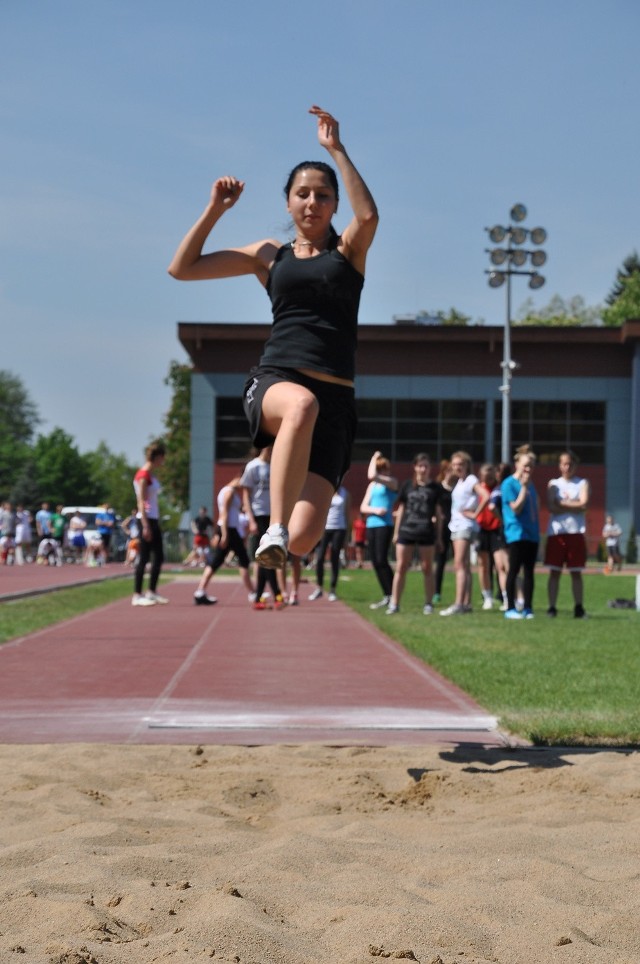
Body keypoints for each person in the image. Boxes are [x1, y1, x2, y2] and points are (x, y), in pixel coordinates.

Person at [168, 105, 378, 571]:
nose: (312, 203)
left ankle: (286, 532)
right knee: (301, 404)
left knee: (304, 541)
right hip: (277, 379)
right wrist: (214, 210)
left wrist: (336, 150)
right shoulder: (270, 255)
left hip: (338, 400)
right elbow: (182, 268)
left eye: (323, 196)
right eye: (302, 194)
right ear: (288, 202)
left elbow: (368, 217)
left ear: (334, 205)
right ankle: (273, 528)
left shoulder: (348, 254)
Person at [386, 453, 443, 616]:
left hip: (426, 531)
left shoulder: (435, 488)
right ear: (415, 467)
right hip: (407, 530)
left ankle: (428, 603)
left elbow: (438, 514)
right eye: (420, 465)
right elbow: (401, 509)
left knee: (427, 568)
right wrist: (396, 533)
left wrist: (438, 537)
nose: (423, 469)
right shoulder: (407, 486)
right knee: (401, 567)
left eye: (426, 466)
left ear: (430, 468)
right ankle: (394, 603)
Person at [440, 451, 488, 616]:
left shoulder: (471, 480)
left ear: (467, 465)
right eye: (454, 465)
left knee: (459, 564)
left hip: (464, 526)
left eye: (460, 464)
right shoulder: (459, 482)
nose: (457, 467)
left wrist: (475, 514)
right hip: (457, 525)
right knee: (465, 565)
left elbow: (485, 495)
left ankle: (459, 603)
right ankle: (466, 603)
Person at [193, 477, 256, 606]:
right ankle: (253, 593)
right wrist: (224, 534)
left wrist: (219, 533)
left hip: (229, 530)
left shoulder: (226, 491)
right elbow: (224, 514)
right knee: (243, 560)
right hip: (229, 531)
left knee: (217, 561)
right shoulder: (229, 492)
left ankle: (200, 591)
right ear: (239, 478)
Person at [544, 450, 590, 619]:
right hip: (557, 533)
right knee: (554, 572)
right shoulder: (553, 483)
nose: (567, 467)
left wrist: (562, 503)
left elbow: (584, 504)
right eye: (564, 463)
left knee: (576, 572)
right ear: (559, 465)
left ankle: (578, 607)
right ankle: (552, 607)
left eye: (570, 464)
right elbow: (551, 507)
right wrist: (574, 505)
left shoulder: (582, 483)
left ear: (575, 465)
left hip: (576, 532)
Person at [240, 446, 283, 607]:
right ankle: (275, 594)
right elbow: (246, 495)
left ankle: (260, 596)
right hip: (259, 515)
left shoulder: (276, 465)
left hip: (273, 515)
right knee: (267, 555)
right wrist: (250, 520)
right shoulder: (253, 466)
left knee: (268, 556)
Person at [500, 448, 540, 619]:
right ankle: (510, 608)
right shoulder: (509, 484)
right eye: (525, 465)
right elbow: (515, 509)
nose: (528, 469)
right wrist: (523, 488)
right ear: (517, 465)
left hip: (532, 534)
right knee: (514, 570)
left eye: (531, 466)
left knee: (529, 572)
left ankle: (528, 608)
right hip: (516, 533)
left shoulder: (531, 485)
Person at [360, 451, 398, 610]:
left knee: (382, 559)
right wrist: (375, 511)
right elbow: (363, 506)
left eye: (384, 469)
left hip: (385, 525)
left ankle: (394, 594)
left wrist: (374, 458)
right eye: (379, 469)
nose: (382, 472)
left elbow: (371, 475)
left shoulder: (391, 482)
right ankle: (387, 595)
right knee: (375, 561)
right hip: (372, 524)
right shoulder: (372, 486)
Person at [132, 440, 168, 607]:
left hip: (153, 519)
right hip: (145, 520)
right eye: (163, 458)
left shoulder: (151, 475)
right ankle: (137, 595)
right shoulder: (143, 475)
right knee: (144, 557)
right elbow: (141, 501)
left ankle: (151, 591)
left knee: (158, 556)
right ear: (158, 457)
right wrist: (145, 525)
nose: (164, 462)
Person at [309, 485, 350, 602]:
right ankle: (319, 588)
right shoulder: (326, 490)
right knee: (320, 558)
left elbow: (347, 515)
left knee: (334, 558)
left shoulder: (345, 493)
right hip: (325, 528)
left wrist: (346, 537)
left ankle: (332, 590)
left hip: (339, 528)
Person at [476, 464, 508, 611]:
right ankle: (487, 597)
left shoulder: (499, 489)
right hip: (482, 529)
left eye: (490, 477)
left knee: (500, 565)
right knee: (483, 565)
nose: (487, 480)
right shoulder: (477, 489)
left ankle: (505, 596)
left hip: (497, 529)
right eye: (484, 477)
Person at [432, 459, 455, 605]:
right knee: (440, 560)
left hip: (457, 526)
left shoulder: (459, 487)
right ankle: (436, 592)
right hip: (442, 527)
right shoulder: (438, 487)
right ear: (445, 471)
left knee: (460, 561)